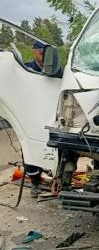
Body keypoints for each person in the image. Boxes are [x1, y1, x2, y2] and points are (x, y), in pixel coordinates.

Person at [24, 41, 46, 198]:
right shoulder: (26, 69)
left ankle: (61, 180)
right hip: (30, 118)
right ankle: (35, 184)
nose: (44, 57)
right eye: (42, 53)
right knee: (31, 153)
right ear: (35, 52)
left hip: (49, 117)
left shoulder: (55, 71)